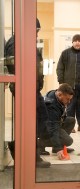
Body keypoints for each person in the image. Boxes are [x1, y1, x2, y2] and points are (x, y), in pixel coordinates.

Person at [5, 18, 51, 168]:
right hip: (24, 89)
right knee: (31, 122)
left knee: (39, 120)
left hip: (32, 89)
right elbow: (15, 67)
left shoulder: (26, 41)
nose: (37, 34)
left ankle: (23, 149)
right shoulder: (15, 42)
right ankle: (30, 154)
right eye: (36, 31)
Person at [57, 34, 80, 133]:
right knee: (70, 107)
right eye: (75, 40)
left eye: (79, 41)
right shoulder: (65, 53)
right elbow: (60, 68)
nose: (77, 42)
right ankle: (70, 126)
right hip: (69, 86)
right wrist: (61, 82)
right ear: (72, 42)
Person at [38, 83, 75, 160]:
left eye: (70, 99)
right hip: (44, 129)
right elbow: (52, 128)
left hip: (53, 123)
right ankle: (39, 144)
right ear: (60, 94)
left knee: (71, 120)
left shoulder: (55, 94)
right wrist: (59, 149)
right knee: (68, 141)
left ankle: (57, 146)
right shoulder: (51, 106)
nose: (69, 102)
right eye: (67, 99)